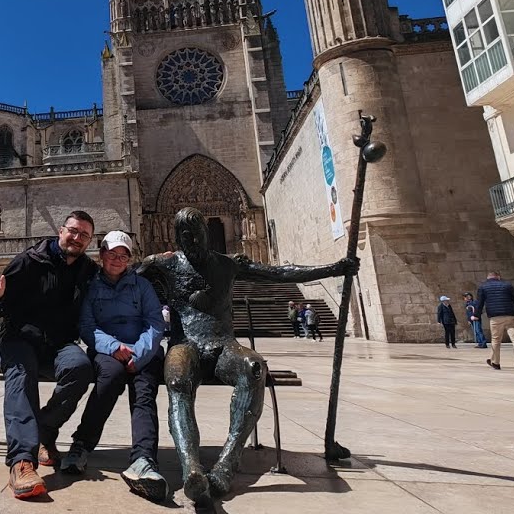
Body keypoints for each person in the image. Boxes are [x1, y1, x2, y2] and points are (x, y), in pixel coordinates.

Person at [138, 207, 358, 505]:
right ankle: (191, 469)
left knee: (254, 367)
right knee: (177, 377)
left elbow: (280, 273)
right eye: (184, 236)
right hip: (185, 344)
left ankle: (226, 465)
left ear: (206, 232)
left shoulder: (229, 264)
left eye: (196, 233)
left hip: (223, 346)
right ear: (176, 237)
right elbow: (120, 273)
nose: (191, 240)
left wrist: (333, 269)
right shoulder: (165, 264)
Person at [0, 211, 99, 501]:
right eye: (73, 231)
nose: (77, 238)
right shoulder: (29, 260)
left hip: (58, 344)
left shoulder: (87, 270)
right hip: (19, 339)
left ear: (89, 241)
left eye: (84, 235)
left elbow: (117, 281)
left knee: (81, 368)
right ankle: (22, 462)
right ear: (60, 231)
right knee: (21, 375)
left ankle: (43, 432)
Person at [61, 230, 168, 501]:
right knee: (108, 380)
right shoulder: (91, 287)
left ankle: (143, 459)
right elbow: (87, 325)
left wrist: (138, 354)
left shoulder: (142, 286)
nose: (117, 260)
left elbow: (155, 323)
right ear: (102, 255)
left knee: (144, 392)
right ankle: (81, 445)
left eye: (123, 255)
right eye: (112, 254)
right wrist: (113, 347)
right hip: (108, 350)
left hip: (144, 350)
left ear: (129, 259)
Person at [475, 271, 514, 372]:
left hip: (495, 316)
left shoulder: (483, 287)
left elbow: (480, 303)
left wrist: (476, 315)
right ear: (498, 277)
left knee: (496, 340)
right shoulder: (507, 285)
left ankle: (496, 362)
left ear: (488, 278)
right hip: (511, 314)